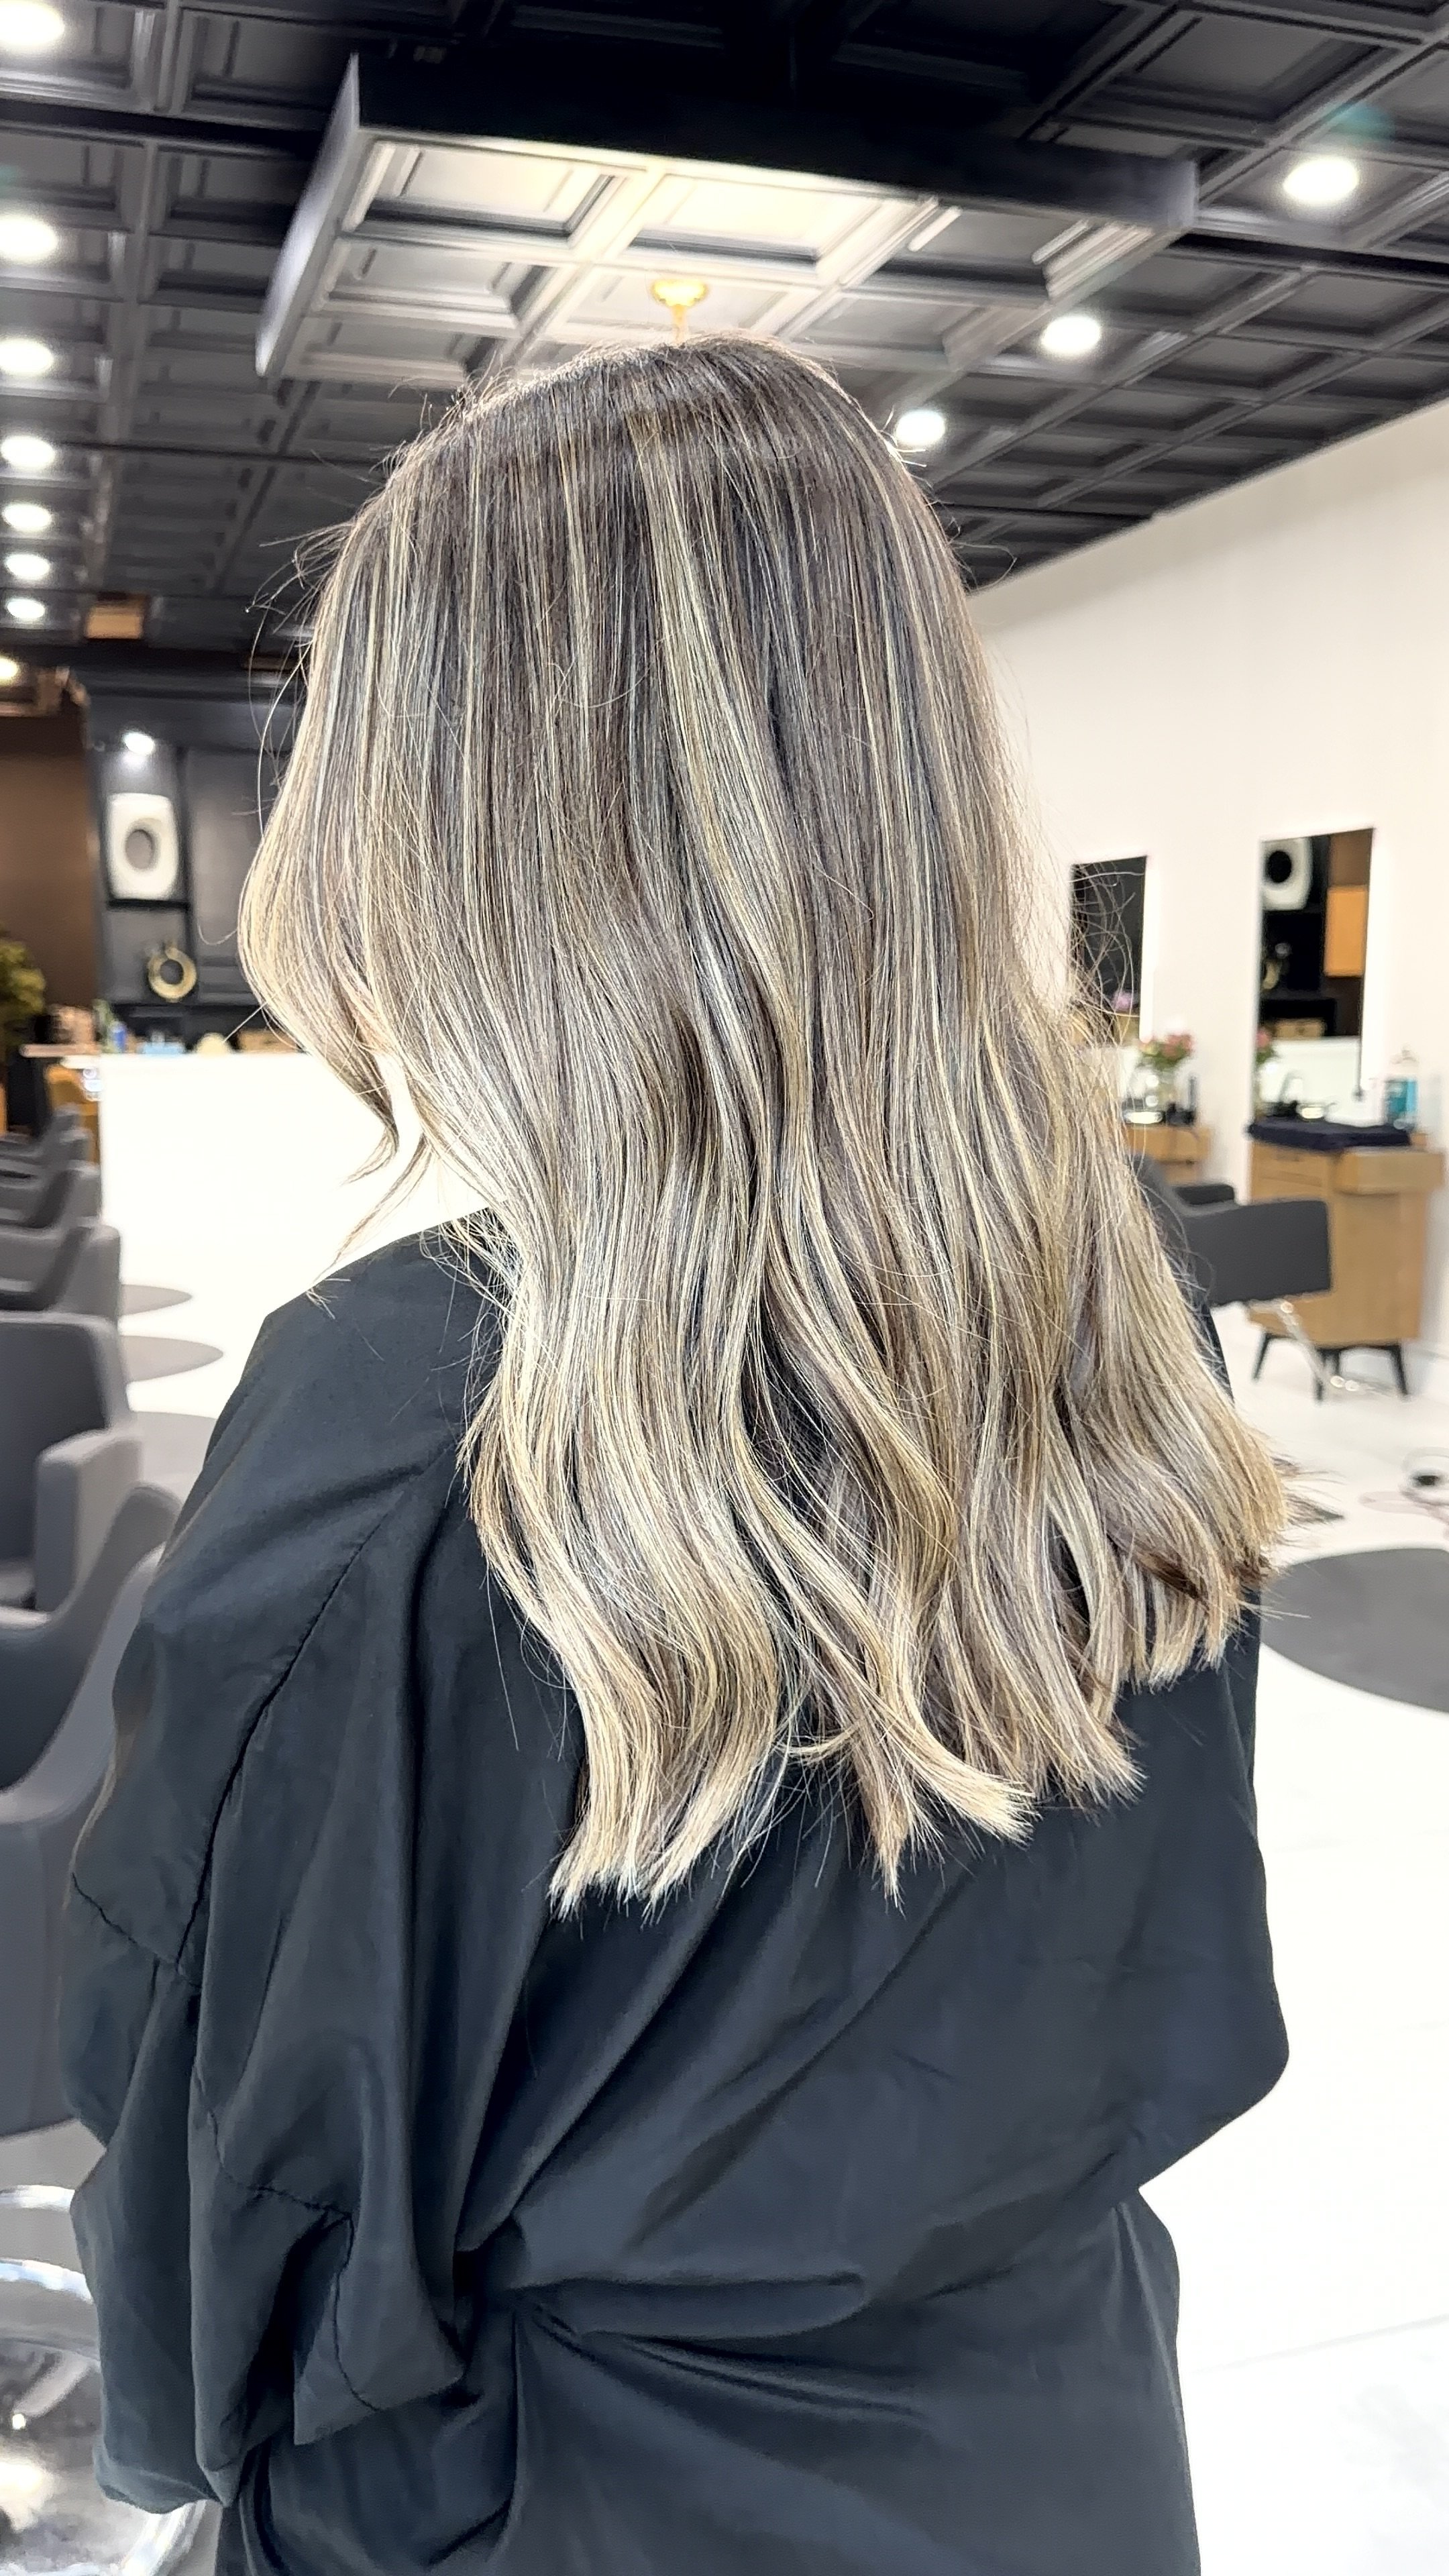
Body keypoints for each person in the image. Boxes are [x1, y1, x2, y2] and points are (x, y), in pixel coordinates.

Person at [61, 335, 1287, 2576]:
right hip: (1058, 2454)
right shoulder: (1119, 1305)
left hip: (569, 2507)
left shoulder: (411, 1430)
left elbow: (235, 2185)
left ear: (442, 826)